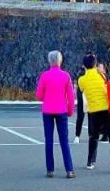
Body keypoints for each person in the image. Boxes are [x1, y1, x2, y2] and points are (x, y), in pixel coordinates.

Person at [77, 53, 110, 174]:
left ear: (84, 65)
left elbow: (82, 90)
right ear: (95, 64)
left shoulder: (81, 80)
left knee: (93, 137)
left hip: (94, 112)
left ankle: (90, 162)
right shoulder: (102, 76)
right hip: (108, 111)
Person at [35, 50, 76, 179]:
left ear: (49, 61)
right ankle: (69, 170)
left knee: (49, 140)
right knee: (64, 141)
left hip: (47, 111)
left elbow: (39, 96)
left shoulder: (44, 76)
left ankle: (50, 169)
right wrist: (70, 110)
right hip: (61, 110)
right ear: (60, 61)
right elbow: (71, 96)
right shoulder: (66, 76)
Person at [74, 66, 87, 144]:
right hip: (83, 98)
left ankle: (92, 135)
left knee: (92, 118)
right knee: (80, 118)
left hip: (89, 98)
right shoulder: (81, 73)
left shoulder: (94, 73)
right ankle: (77, 136)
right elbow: (78, 87)